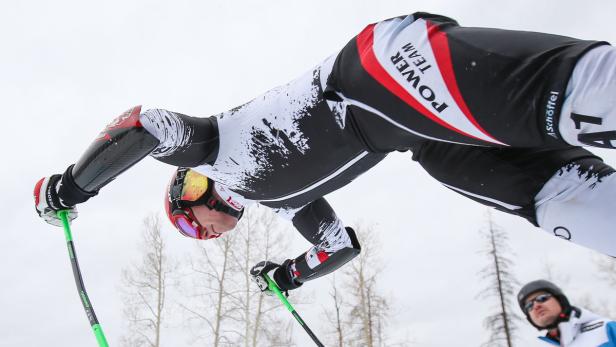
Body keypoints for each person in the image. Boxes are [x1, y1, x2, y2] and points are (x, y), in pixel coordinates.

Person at [35, 12, 616, 293]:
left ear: (192, 194)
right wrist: (288, 275)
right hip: (423, 140)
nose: (209, 233)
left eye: (193, 223)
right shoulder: (288, 203)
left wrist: (76, 185)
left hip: (385, 75)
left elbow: (145, 124)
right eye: (202, 238)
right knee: (562, 201)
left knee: (585, 102)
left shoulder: (213, 148)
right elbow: (339, 247)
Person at [518, 280, 616, 346]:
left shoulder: (606, 330)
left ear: (560, 300)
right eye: (529, 306)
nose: (536, 306)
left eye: (542, 298)